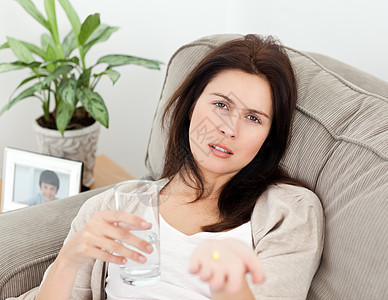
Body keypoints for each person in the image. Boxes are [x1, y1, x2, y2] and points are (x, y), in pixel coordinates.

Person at [18, 34, 324, 299]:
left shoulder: (288, 212)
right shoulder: (115, 205)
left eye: (254, 118)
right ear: (191, 107)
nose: (230, 129)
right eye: (221, 105)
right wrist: (69, 260)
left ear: (269, 137)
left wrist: (228, 288)